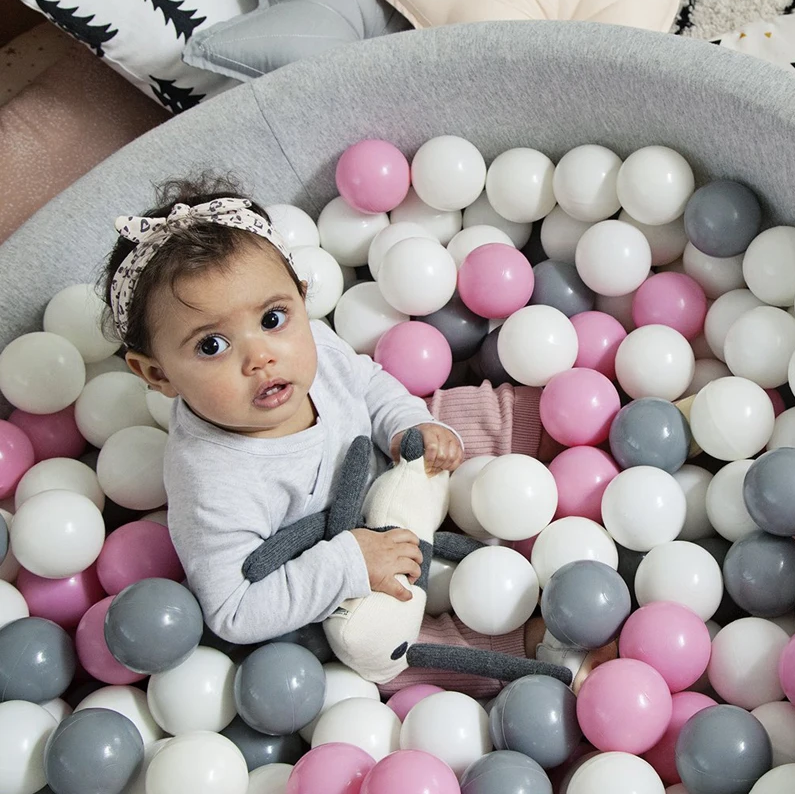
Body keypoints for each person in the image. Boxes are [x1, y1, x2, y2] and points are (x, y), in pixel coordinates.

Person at [99, 175, 615, 696]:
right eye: (212, 345)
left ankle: (570, 437)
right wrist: (348, 563)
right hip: (332, 560)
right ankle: (535, 642)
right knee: (379, 646)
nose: (260, 357)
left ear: (302, 300)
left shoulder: (313, 345)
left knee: (452, 415)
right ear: (157, 374)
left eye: (273, 318)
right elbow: (233, 609)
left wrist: (406, 424)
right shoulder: (211, 485)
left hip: (392, 470)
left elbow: (366, 383)